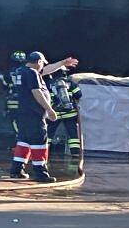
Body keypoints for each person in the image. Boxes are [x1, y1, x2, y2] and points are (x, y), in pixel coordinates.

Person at [6, 51, 78, 182]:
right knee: (40, 142)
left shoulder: (23, 71)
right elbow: (36, 92)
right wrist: (49, 110)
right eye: (41, 64)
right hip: (34, 114)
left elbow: (46, 70)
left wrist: (62, 63)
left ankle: (16, 170)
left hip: (24, 114)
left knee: (24, 141)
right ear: (38, 61)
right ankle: (41, 173)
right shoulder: (32, 73)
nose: (42, 67)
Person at [45, 69, 83, 166]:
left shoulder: (49, 84)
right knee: (73, 135)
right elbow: (79, 95)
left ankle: (45, 153)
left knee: (49, 134)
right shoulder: (71, 83)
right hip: (70, 113)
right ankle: (75, 154)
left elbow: (46, 97)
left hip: (55, 113)